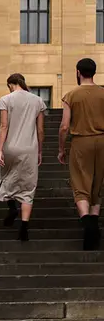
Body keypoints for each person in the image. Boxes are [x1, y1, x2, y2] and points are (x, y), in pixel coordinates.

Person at [59, 57, 104, 250]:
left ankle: (87, 222)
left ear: (78, 72)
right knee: (98, 184)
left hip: (80, 142)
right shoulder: (103, 93)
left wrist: (61, 149)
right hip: (102, 140)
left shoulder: (71, 95)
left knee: (80, 183)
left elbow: (64, 126)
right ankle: (94, 220)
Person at [0, 73, 46, 241]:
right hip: (29, 148)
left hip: (11, 147)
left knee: (7, 177)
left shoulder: (6, 99)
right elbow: (40, 130)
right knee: (28, 186)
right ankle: (24, 226)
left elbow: (4, 126)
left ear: (11, 84)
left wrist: (0, 150)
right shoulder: (37, 101)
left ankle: (11, 206)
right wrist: (39, 150)